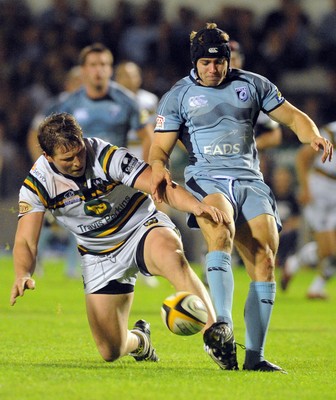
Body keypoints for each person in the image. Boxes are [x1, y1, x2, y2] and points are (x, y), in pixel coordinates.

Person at [149, 22, 333, 372]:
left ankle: (255, 358)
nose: (214, 69)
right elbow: (159, 148)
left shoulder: (253, 84)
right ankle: (222, 326)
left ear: (228, 60)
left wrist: (312, 136)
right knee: (221, 231)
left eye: (219, 62)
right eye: (205, 62)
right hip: (207, 178)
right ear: (195, 62)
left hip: (250, 180)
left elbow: (292, 117)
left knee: (264, 260)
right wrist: (159, 167)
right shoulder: (178, 96)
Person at [10, 112, 230, 366]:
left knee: (172, 256)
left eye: (79, 152)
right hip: (98, 254)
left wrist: (194, 205)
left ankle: (216, 337)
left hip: (140, 228)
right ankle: (140, 342)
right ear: (48, 157)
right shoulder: (36, 184)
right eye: (67, 159)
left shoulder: (106, 156)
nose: (77, 162)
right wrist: (22, 273)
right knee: (110, 350)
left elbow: (158, 185)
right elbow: (26, 240)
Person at [281, 120, 336, 299]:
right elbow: (302, 157)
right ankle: (315, 286)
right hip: (319, 189)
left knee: (329, 249)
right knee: (329, 250)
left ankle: (295, 264)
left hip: (334, 193)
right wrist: (305, 188)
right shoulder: (331, 130)